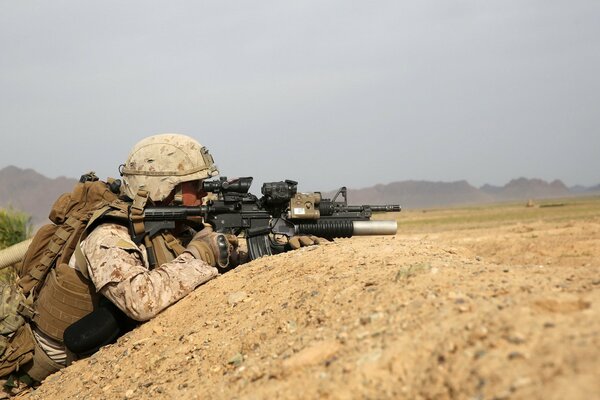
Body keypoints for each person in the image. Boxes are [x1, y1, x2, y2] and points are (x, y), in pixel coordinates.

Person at [0, 133, 321, 396]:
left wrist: (278, 244)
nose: (205, 194)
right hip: (31, 378)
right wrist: (201, 257)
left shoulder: (170, 224)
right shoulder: (108, 235)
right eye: (195, 186)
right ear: (163, 189)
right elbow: (141, 300)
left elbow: (205, 254)